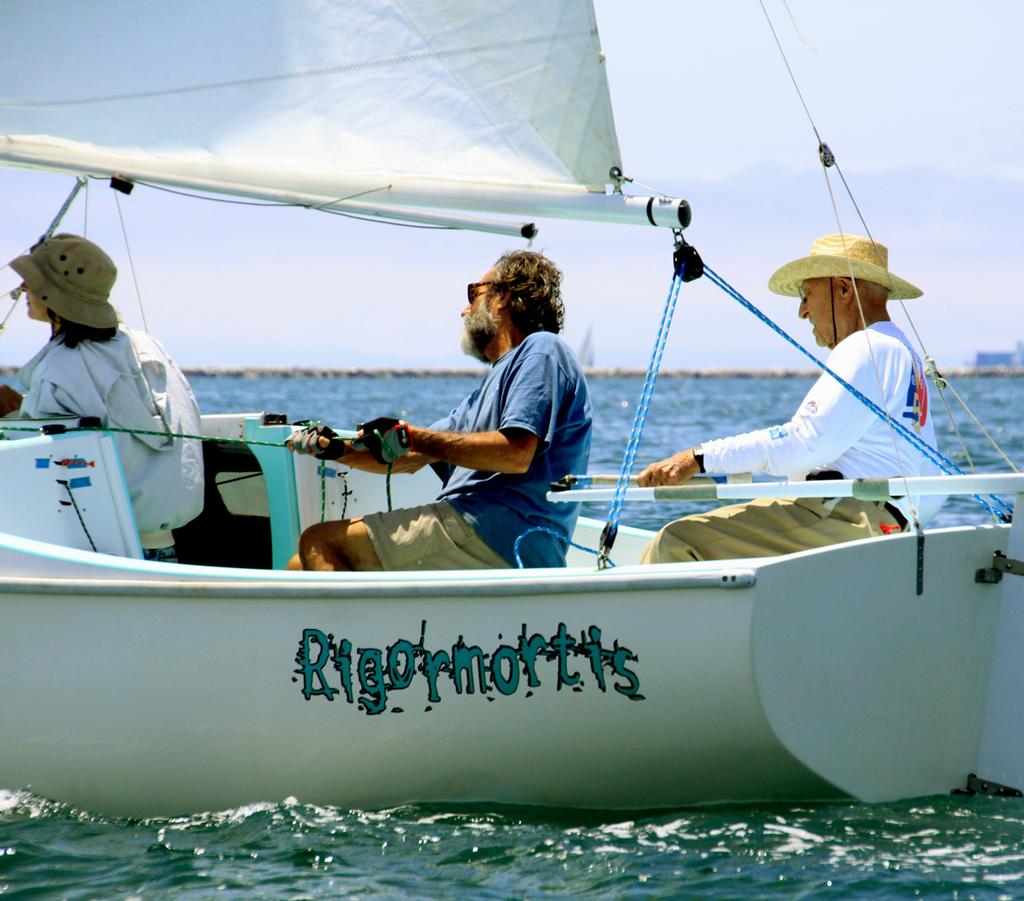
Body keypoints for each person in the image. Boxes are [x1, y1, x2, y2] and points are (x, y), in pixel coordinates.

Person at [638, 233, 943, 564]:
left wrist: (697, 458)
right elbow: (931, 483)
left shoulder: (864, 347)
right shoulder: (903, 353)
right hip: (882, 524)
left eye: (806, 293)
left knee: (675, 542)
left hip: (843, 517)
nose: (802, 311)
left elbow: (804, 443)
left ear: (843, 289)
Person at [286, 249, 592, 571]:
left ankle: (353, 623)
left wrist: (414, 437)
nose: (464, 310)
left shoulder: (542, 349)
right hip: (476, 533)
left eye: (474, 293)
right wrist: (334, 449)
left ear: (504, 296)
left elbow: (515, 454)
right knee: (298, 566)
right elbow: (406, 458)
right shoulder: (479, 396)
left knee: (320, 542)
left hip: (498, 530)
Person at [0, 233, 204, 561]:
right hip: (163, 548)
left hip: (97, 554)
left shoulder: (58, 368)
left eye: (33, 281)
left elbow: (43, 466)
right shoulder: (149, 346)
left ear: (55, 296)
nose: (23, 288)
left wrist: (11, 419)